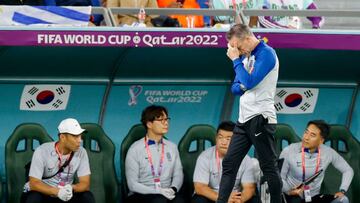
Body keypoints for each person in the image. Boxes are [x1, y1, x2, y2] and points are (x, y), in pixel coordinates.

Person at [217, 24, 281, 203]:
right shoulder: (247, 57)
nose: (235, 50)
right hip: (243, 119)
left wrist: (235, 61)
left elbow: (249, 82)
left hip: (261, 118)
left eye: (237, 45)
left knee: (268, 167)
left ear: (247, 38)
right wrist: (243, 79)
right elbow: (236, 87)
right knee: (229, 164)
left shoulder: (266, 53)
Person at [21, 118, 94, 203]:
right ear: (62, 137)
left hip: (66, 193)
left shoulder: (81, 152)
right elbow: (34, 183)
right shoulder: (42, 151)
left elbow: (85, 183)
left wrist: (72, 188)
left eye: (80, 136)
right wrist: (57, 192)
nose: (79, 140)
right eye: (75, 136)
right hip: (44, 192)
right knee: (33, 198)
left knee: (87, 196)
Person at [280, 120, 354, 203]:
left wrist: (342, 190)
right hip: (292, 197)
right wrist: (289, 191)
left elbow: (348, 170)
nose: (306, 137)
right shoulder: (288, 151)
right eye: (306, 132)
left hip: (314, 198)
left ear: (321, 140)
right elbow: (279, 177)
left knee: (343, 200)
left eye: (312, 135)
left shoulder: (328, 153)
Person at [125, 105, 184, 203]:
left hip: (167, 192)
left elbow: (178, 173)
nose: (166, 123)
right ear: (149, 124)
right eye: (161, 120)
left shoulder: (172, 147)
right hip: (142, 194)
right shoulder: (135, 149)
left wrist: (173, 188)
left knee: (180, 201)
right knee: (159, 201)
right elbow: (132, 184)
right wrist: (158, 191)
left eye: (167, 119)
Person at [193, 121, 260, 203]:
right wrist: (222, 198)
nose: (223, 142)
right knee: (199, 200)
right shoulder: (204, 157)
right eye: (220, 137)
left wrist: (239, 200)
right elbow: (200, 187)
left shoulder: (246, 159)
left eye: (228, 139)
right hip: (213, 196)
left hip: (235, 197)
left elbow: (249, 188)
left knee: (254, 200)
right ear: (216, 138)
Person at [258, 0, 324, 29]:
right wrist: (284, 29)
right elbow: (263, 20)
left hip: (295, 36)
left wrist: (315, 27)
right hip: (273, 37)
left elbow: (317, 16)